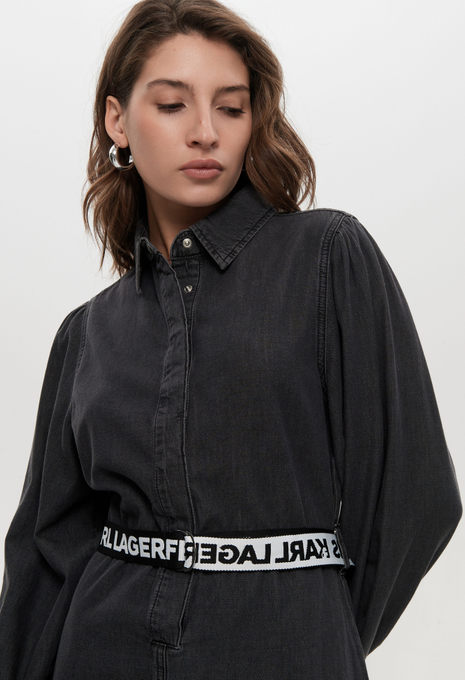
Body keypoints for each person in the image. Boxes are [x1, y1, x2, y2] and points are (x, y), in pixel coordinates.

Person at [0, 0, 461, 678]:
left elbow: (415, 498)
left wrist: (316, 624)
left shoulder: (328, 258)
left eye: (231, 108)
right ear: (117, 121)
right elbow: (45, 557)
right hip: (101, 651)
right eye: (172, 105)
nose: (205, 133)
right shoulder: (86, 332)